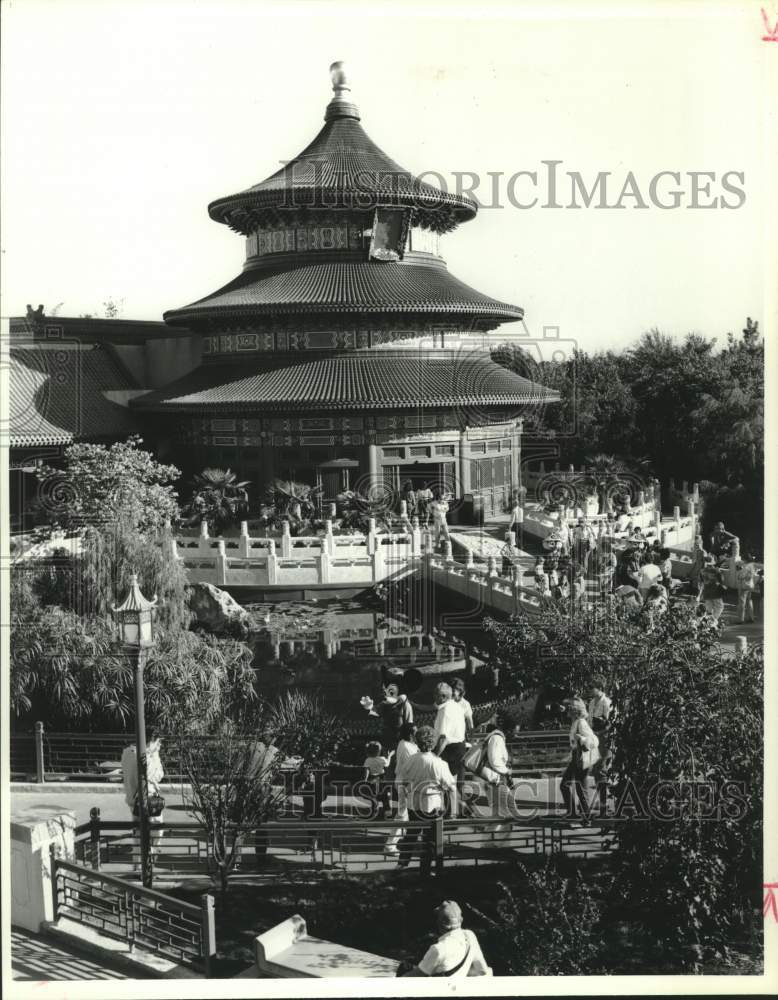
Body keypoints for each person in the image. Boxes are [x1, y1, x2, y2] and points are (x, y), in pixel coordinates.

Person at [396, 726, 456, 875]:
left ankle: (402, 863)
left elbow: (402, 780)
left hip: (413, 802)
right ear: (433, 743)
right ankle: (426, 868)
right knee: (430, 839)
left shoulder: (411, 760)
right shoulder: (439, 764)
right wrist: (453, 811)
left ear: (417, 741)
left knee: (411, 833)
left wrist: (408, 791)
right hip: (433, 804)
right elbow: (451, 787)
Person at [398, 900, 492, 977]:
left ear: (440, 923)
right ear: (461, 920)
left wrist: (401, 976)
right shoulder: (470, 936)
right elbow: (482, 970)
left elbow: (413, 977)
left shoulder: (438, 949)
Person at [560, 698, 599, 823]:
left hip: (582, 758)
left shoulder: (581, 722)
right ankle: (573, 813)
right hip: (576, 757)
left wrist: (582, 739)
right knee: (567, 785)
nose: (566, 710)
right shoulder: (575, 722)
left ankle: (585, 816)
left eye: (568, 708)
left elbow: (594, 741)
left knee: (579, 787)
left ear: (574, 711)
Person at [431, 682, 468, 816]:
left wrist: (434, 756)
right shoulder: (457, 706)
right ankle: (454, 812)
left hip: (449, 748)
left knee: (447, 784)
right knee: (452, 783)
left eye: (435, 694)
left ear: (442, 696)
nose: (433, 697)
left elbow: (443, 738)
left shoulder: (444, 710)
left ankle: (451, 814)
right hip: (459, 747)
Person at [385, 722, 418, 855]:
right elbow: (411, 767)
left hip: (404, 782)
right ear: (411, 734)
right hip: (405, 783)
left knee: (404, 814)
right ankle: (390, 845)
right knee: (402, 814)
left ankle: (395, 842)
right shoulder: (406, 747)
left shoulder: (407, 744)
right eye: (415, 732)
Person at [360, 683, 413, 762]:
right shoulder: (384, 704)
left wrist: (410, 744)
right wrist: (369, 707)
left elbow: (410, 725)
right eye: (384, 690)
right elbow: (376, 712)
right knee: (389, 766)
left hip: (401, 743)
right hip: (387, 741)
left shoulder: (405, 705)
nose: (385, 692)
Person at [587, 677, 612, 814]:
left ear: (599, 687)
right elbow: (589, 721)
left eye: (592, 687)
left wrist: (599, 732)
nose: (590, 690)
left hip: (604, 739)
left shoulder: (607, 703)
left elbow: (611, 724)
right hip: (594, 739)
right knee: (596, 770)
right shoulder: (591, 702)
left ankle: (604, 804)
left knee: (602, 770)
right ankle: (600, 800)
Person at [362, 741, 392, 819]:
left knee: (373, 796)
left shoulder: (368, 760)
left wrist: (365, 780)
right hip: (382, 779)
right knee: (385, 796)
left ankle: (374, 811)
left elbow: (367, 771)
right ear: (379, 751)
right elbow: (387, 764)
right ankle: (387, 812)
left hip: (372, 779)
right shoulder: (382, 759)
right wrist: (389, 756)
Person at [735, 560, 757, 624]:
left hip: (744, 586)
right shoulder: (752, 566)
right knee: (749, 601)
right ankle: (751, 617)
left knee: (742, 603)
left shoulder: (745, 567)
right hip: (750, 585)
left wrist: (739, 571)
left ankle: (740, 619)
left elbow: (741, 577)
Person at [688, 536, 707, 602]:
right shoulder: (697, 552)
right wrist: (691, 571)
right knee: (698, 585)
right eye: (696, 544)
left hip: (702, 571)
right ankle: (699, 597)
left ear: (701, 543)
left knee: (701, 584)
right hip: (698, 570)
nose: (696, 546)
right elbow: (696, 562)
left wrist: (702, 571)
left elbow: (704, 563)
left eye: (698, 544)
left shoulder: (703, 552)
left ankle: (699, 597)